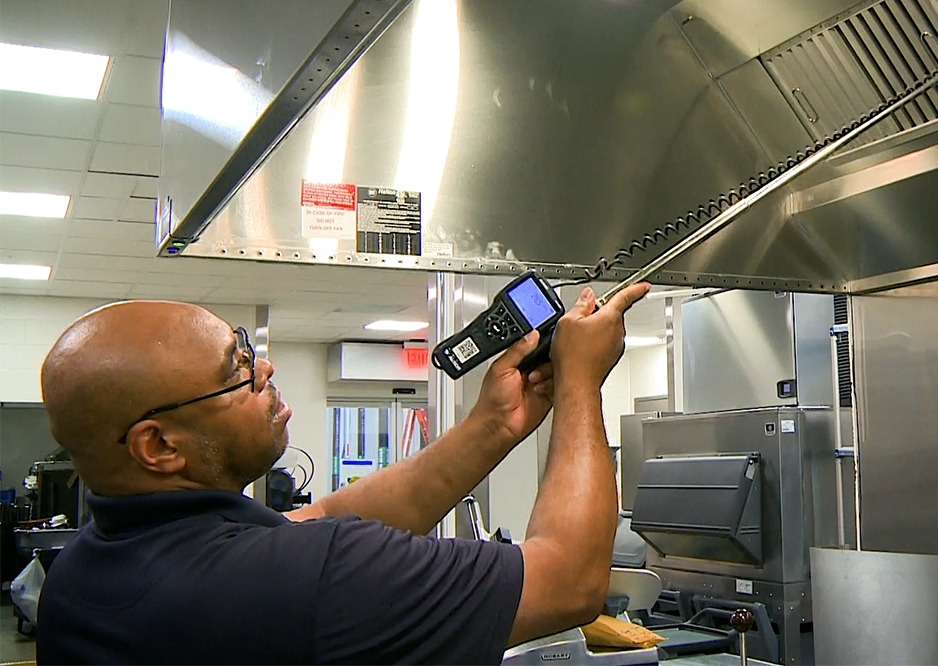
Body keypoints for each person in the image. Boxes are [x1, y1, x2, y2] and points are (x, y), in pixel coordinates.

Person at [35, 282, 650, 665]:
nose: (265, 368)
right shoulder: (304, 580)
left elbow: (323, 517)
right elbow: (569, 579)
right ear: (159, 446)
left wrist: (491, 427)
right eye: (237, 369)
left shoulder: (79, 577)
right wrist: (580, 385)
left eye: (247, 347)